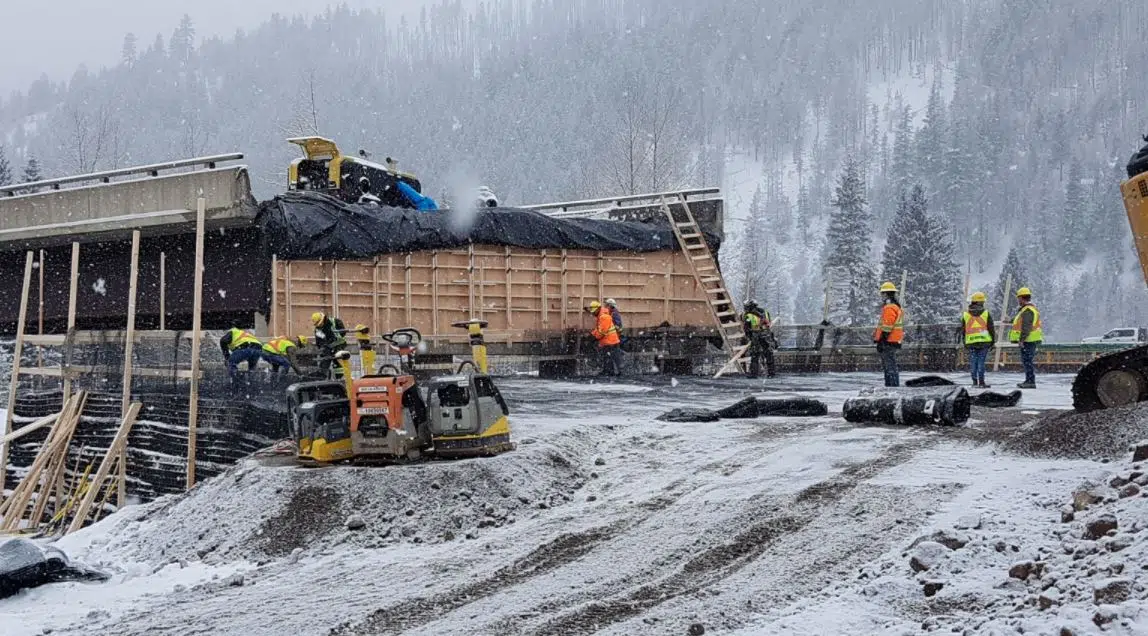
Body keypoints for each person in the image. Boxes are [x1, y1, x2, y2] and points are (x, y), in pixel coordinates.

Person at [960, 291, 996, 388]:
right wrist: (993, 341)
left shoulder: (966, 315)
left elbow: (963, 330)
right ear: (981, 302)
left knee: (973, 362)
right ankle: (981, 382)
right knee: (981, 362)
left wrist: (964, 342)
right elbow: (991, 328)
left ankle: (974, 382)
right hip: (984, 342)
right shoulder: (986, 314)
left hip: (971, 342)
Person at [1009, 287, 1042, 389]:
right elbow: (1019, 321)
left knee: (1027, 360)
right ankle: (1029, 380)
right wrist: (1009, 321)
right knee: (1027, 360)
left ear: (1022, 298)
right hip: (1029, 340)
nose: (1018, 301)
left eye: (1018, 298)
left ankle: (1030, 381)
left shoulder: (1027, 310)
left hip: (1028, 340)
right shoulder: (1027, 310)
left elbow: (1026, 326)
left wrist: (1022, 340)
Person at [873, 281, 904, 387]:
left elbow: (887, 326)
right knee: (891, 365)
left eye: (882, 293)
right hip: (893, 340)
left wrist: (882, 340)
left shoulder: (889, 307)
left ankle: (891, 387)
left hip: (888, 341)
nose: (881, 296)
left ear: (886, 294)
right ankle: (893, 385)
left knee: (889, 366)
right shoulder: (895, 306)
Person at [742, 300, 776, 378]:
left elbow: (747, 329)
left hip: (756, 336)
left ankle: (754, 374)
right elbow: (769, 323)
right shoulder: (765, 313)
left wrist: (749, 337)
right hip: (767, 335)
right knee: (769, 354)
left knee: (755, 355)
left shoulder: (749, 316)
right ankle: (771, 373)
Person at [588, 300, 622, 376]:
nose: (593, 313)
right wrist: (593, 334)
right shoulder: (601, 315)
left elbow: (602, 331)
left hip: (610, 341)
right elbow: (599, 329)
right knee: (608, 357)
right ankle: (609, 371)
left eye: (594, 312)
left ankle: (612, 372)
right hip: (609, 341)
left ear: (598, 309)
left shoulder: (604, 317)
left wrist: (594, 337)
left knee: (610, 357)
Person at [312, 311, 348, 378]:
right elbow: (319, 342)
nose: (320, 326)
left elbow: (343, 333)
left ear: (323, 319)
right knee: (325, 359)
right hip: (328, 347)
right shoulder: (318, 330)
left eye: (320, 324)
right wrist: (323, 347)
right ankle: (321, 376)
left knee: (337, 361)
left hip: (339, 344)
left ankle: (340, 377)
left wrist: (332, 338)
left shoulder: (335, 321)